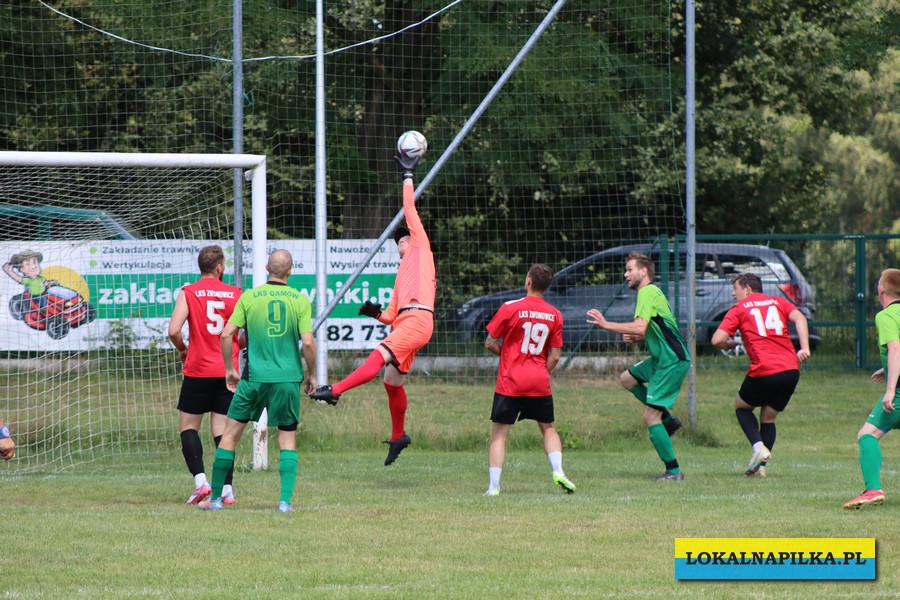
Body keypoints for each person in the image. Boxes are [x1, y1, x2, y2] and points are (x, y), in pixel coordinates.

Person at [309, 149, 436, 467]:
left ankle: (335, 390)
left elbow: (409, 209)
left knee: (377, 358)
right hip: (408, 321)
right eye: (399, 243)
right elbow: (392, 316)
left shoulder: (420, 246)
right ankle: (398, 436)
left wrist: (408, 175)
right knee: (392, 381)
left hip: (418, 321)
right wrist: (375, 314)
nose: (401, 244)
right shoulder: (401, 276)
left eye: (403, 240)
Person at [199, 249, 317, 513]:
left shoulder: (249, 297)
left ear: (266, 268)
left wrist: (230, 369)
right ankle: (285, 503)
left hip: (253, 378)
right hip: (287, 380)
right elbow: (308, 342)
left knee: (229, 436)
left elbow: (226, 334)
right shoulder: (299, 300)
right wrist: (312, 375)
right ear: (290, 271)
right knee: (287, 439)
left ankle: (216, 499)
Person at [586, 251, 689, 480]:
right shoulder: (650, 293)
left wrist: (606, 324)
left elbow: (640, 326)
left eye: (629, 269)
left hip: (671, 361)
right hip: (663, 358)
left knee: (649, 418)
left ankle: (673, 471)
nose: (626, 275)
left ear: (644, 271)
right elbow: (656, 329)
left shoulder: (647, 291)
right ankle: (668, 419)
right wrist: (637, 337)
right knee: (627, 378)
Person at [482, 263, 575, 496]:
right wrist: (540, 371)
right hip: (538, 380)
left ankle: (494, 487)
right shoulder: (555, 314)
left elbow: (489, 342)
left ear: (528, 282)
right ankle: (559, 472)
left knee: (500, 434)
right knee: (548, 428)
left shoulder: (510, 308)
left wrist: (507, 355)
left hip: (510, 380)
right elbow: (555, 355)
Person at [711, 273, 810, 477]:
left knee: (742, 406)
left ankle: (758, 448)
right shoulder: (779, 302)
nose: (733, 293)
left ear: (747, 289)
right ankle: (760, 468)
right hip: (791, 370)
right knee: (768, 417)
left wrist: (728, 344)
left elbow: (716, 340)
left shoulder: (738, 309)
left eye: (735, 289)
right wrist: (805, 347)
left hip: (765, 369)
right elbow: (800, 317)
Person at [168, 245, 242, 505]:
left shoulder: (188, 292)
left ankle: (201, 483)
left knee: (189, 427)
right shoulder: (235, 294)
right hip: (227, 372)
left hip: (197, 370)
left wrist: (183, 350)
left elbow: (174, 331)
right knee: (224, 432)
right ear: (220, 267)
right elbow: (243, 335)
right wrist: (236, 346)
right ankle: (226, 490)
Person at [843, 268, 900, 510]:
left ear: (882, 289)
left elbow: (896, 350)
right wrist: (885, 367)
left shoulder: (885, 316)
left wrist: (890, 389)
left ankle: (873, 489)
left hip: (899, 394)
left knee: (867, 435)